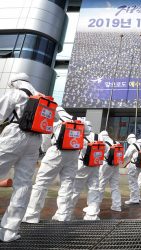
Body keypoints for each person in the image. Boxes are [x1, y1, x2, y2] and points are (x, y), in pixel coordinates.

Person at [23, 108, 87, 223]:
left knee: (42, 183)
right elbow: (86, 133)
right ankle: (63, 215)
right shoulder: (79, 121)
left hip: (56, 152)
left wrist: (44, 151)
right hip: (73, 154)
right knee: (67, 184)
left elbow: (46, 138)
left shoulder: (55, 121)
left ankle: (31, 216)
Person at [0, 73, 43, 242]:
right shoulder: (41, 98)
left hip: (14, 136)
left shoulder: (16, 93)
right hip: (34, 141)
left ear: (14, 82)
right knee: (24, 183)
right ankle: (9, 230)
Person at [69, 122, 102, 220]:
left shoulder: (80, 135)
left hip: (82, 164)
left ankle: (66, 212)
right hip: (95, 165)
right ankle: (92, 215)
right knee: (94, 188)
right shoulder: (98, 136)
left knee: (75, 189)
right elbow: (106, 150)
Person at [95, 131, 122, 212]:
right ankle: (117, 206)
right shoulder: (116, 142)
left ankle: (96, 206)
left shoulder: (103, 143)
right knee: (115, 186)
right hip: (116, 165)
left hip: (106, 165)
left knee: (101, 184)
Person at [123, 134, 141, 204]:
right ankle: (137, 197)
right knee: (135, 182)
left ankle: (134, 199)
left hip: (133, 165)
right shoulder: (140, 145)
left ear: (130, 139)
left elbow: (126, 155)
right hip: (139, 166)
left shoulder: (132, 146)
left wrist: (120, 161)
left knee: (132, 182)